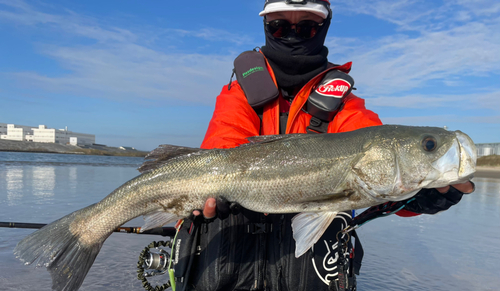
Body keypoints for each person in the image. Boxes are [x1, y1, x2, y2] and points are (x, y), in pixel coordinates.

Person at [173, 1, 475, 290]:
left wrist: (419, 197)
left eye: (307, 27)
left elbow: (380, 177)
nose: (293, 34)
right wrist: (212, 194)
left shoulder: (348, 107)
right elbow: (222, 147)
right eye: (279, 26)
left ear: (324, 26)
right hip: (232, 270)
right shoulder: (238, 94)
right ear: (265, 26)